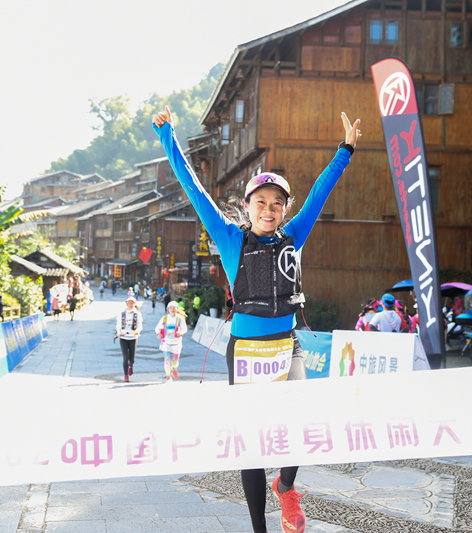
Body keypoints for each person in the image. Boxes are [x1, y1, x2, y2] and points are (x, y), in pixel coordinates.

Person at [153, 104, 360, 533]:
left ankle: (286, 486)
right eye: (261, 202)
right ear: (246, 206)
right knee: (251, 445)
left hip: (287, 345)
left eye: (277, 203)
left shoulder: (294, 235)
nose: (269, 209)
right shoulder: (229, 237)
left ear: (285, 209)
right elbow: (193, 188)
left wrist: (345, 151)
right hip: (245, 351)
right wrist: (167, 136)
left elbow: (320, 192)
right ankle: (259, 529)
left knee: (299, 426)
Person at [154, 301, 187, 382]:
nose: (172, 309)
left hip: (176, 343)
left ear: (177, 309)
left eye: (174, 307)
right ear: (168, 309)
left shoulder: (180, 318)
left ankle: (174, 368)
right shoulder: (164, 318)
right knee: (167, 360)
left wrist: (180, 332)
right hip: (166, 343)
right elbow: (157, 328)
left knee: (175, 360)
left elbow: (184, 329)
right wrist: (158, 333)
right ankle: (168, 376)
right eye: (170, 308)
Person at [116, 296, 143, 382]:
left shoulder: (137, 313)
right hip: (123, 337)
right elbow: (118, 324)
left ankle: (131, 365)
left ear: (134, 304)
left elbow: (140, 324)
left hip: (133, 338)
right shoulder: (122, 313)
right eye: (129, 303)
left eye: (132, 303)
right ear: (126, 304)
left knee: (132, 357)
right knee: (125, 356)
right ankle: (125, 375)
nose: (130, 304)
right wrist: (118, 332)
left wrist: (137, 331)